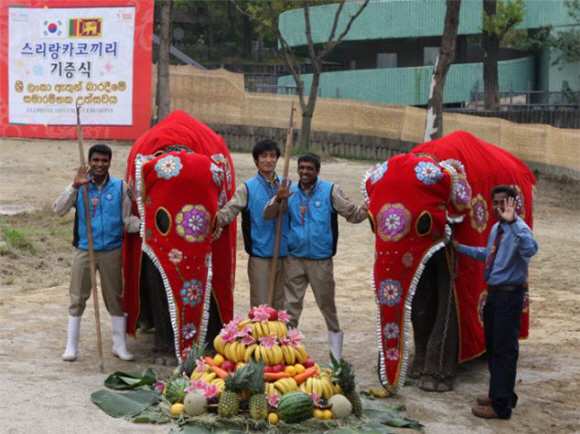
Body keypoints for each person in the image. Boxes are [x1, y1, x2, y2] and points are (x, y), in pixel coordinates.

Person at [264, 152, 368, 360]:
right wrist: (278, 199)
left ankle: (336, 358)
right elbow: (268, 214)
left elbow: (353, 215)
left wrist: (371, 202)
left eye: (309, 169)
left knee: (326, 304)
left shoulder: (330, 191)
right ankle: (287, 355)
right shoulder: (289, 191)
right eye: (301, 168)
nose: (304, 172)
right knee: (290, 308)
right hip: (295, 258)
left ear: (317, 171)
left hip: (321, 260)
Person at [452, 185, 538, 420]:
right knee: (493, 346)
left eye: (504, 202)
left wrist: (512, 223)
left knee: (504, 350)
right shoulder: (496, 229)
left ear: (513, 203)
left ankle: (501, 407)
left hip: (509, 296)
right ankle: (501, 394)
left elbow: (531, 250)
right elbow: (487, 254)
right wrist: (460, 248)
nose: (499, 207)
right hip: (495, 294)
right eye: (496, 202)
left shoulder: (518, 227)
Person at [54, 143, 140, 362]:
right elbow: (59, 210)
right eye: (96, 160)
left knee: (115, 298)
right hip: (84, 250)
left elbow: (127, 219)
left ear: (110, 162)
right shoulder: (80, 186)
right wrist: (74, 186)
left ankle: (119, 345)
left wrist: (144, 223)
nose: (100, 165)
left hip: (112, 251)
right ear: (89, 162)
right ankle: (71, 347)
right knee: (77, 297)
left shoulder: (120, 187)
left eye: (104, 161)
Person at [216, 139, 289, 310]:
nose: (269, 160)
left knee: (281, 305)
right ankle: (261, 337)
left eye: (272, 156)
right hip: (260, 255)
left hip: (284, 255)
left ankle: (279, 337)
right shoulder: (247, 188)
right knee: (261, 306)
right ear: (257, 160)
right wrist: (210, 220)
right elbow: (228, 212)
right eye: (264, 156)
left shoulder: (286, 187)